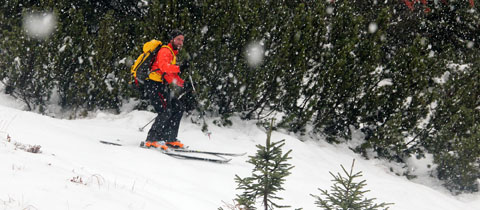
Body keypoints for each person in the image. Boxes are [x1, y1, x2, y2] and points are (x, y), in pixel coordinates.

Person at [144, 29, 187, 150]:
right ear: (172, 39)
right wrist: (179, 68)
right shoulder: (165, 51)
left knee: (178, 107)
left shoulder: (172, 53)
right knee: (165, 111)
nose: (180, 42)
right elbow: (163, 67)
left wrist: (183, 84)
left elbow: (168, 75)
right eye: (178, 39)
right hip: (154, 85)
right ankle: (151, 139)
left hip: (161, 85)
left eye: (182, 40)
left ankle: (169, 138)